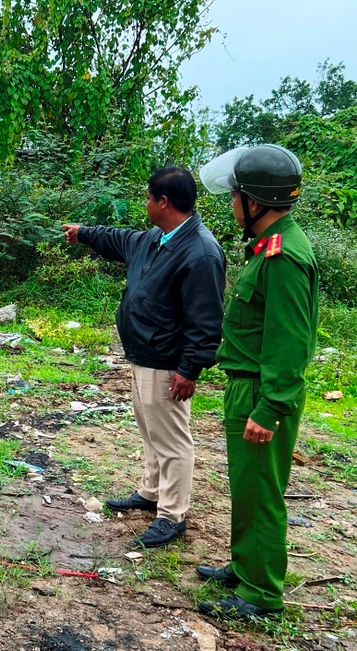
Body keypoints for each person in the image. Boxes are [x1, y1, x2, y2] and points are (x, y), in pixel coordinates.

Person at [63, 167, 226, 548]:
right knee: (151, 430)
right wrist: (84, 233)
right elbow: (120, 239)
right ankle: (151, 492)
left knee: (172, 439)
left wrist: (190, 369)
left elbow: (206, 320)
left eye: (148, 197)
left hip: (169, 362)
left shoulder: (200, 252)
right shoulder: (158, 238)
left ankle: (172, 515)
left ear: (163, 202)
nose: (146, 203)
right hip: (144, 354)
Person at [195, 144, 319, 619]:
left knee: (261, 492)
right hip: (248, 385)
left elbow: (290, 343)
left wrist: (270, 408)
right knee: (248, 487)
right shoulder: (270, 245)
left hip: (260, 391)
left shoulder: (284, 256)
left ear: (256, 203)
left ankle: (261, 593)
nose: (231, 205)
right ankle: (245, 565)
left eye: (236, 197)